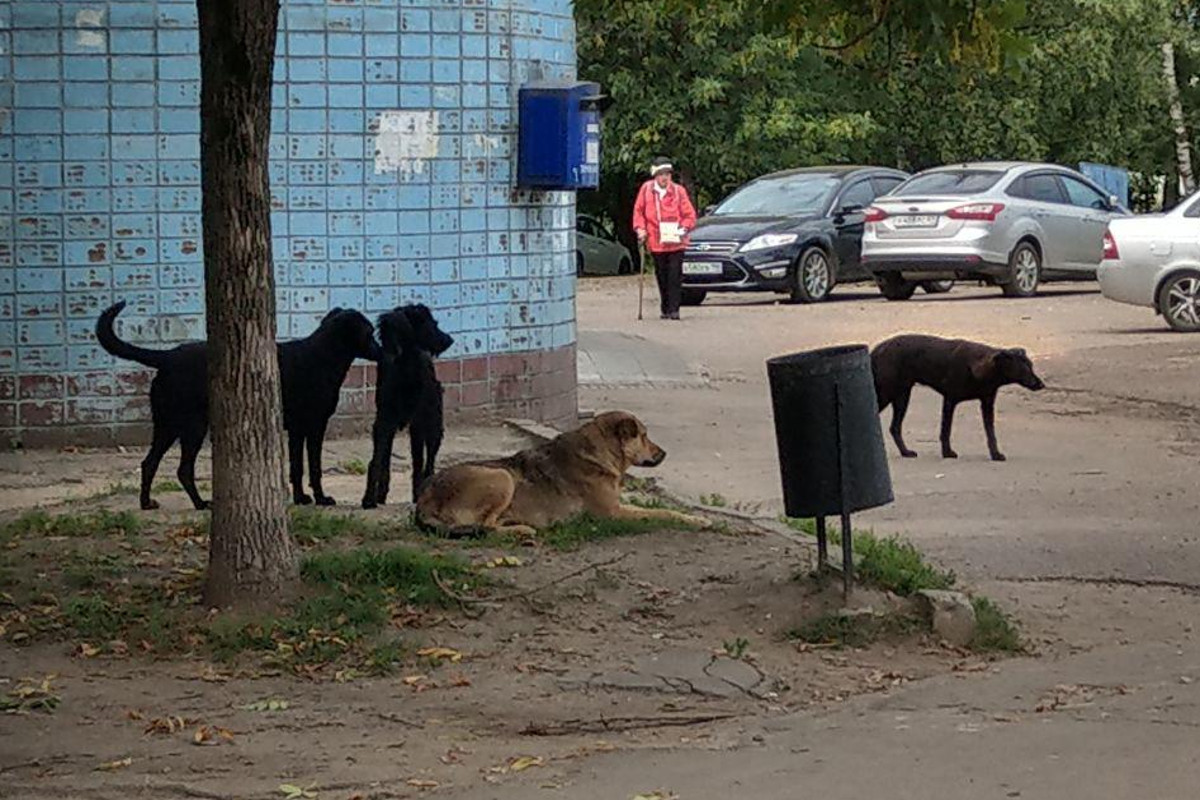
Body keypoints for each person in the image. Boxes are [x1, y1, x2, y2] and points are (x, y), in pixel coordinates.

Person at [632, 156, 697, 320]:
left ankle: (674, 309)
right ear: (655, 175)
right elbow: (638, 211)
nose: (664, 178)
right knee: (662, 275)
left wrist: (684, 228)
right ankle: (665, 307)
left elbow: (689, 214)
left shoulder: (678, 191)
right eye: (661, 174)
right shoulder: (646, 190)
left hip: (676, 241)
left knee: (675, 275)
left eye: (667, 174)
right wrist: (640, 229)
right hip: (656, 241)